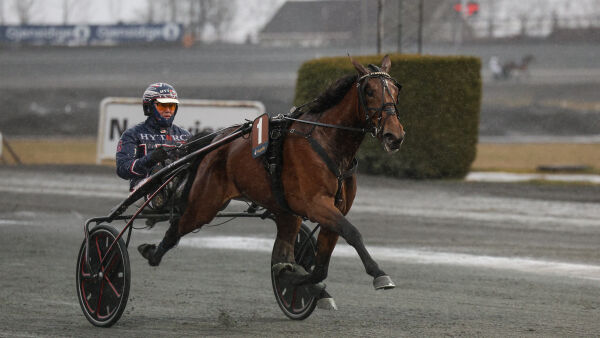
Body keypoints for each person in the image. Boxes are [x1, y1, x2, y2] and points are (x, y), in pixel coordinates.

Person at [116, 82, 191, 191]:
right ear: (149, 107)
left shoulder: (185, 136)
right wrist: (150, 159)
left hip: (179, 190)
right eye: (162, 106)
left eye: (172, 106)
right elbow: (122, 169)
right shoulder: (133, 134)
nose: (168, 110)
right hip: (145, 192)